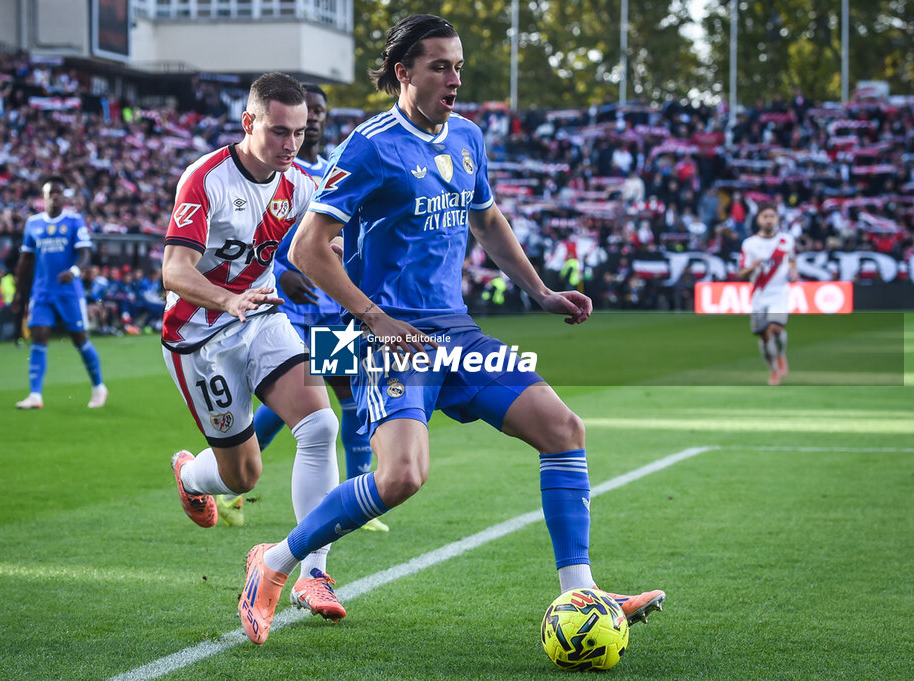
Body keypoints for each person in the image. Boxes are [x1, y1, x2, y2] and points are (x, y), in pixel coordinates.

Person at [236, 15, 665, 646]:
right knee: (401, 477)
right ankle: (274, 563)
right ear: (404, 73)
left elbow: (487, 221)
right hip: (390, 343)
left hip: (458, 336)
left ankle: (582, 590)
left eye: (458, 66)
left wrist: (541, 291)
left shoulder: (467, 136)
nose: (454, 79)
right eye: (440, 66)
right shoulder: (369, 145)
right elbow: (307, 247)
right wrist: (374, 319)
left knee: (563, 429)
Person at [161, 72, 346, 623]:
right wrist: (227, 299)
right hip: (198, 335)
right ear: (249, 122)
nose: (292, 144)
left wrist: (344, 249)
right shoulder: (206, 179)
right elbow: (174, 271)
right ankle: (191, 476)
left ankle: (312, 573)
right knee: (243, 476)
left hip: (261, 318)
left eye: (300, 133)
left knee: (321, 425)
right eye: (280, 131)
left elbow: (324, 242)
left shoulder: (301, 183)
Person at [217, 83, 387, 533]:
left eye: (319, 111)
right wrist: (282, 270)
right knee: (289, 401)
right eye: (306, 111)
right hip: (286, 307)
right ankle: (232, 487)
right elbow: (251, 236)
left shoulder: (332, 170)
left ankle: (357, 497)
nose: (312, 119)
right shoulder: (273, 170)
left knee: (349, 398)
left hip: (330, 306)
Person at [12, 178, 108, 409]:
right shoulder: (33, 223)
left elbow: (85, 253)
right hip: (42, 291)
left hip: (69, 292)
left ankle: (98, 386)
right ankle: (35, 395)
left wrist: (74, 271)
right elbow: (25, 259)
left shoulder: (74, 220)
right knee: (38, 336)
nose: (55, 196)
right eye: (50, 193)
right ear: (43, 197)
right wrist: (18, 292)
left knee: (79, 338)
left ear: (63, 197)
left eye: (58, 192)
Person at [738, 202, 797, 385]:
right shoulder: (749, 244)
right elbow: (741, 272)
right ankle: (773, 370)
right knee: (764, 334)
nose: (769, 220)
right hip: (760, 294)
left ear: (777, 219)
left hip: (779, 292)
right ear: (759, 219)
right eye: (765, 217)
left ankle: (781, 356)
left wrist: (793, 271)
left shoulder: (786, 241)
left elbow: (792, 260)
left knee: (775, 327)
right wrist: (752, 267)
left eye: (772, 216)